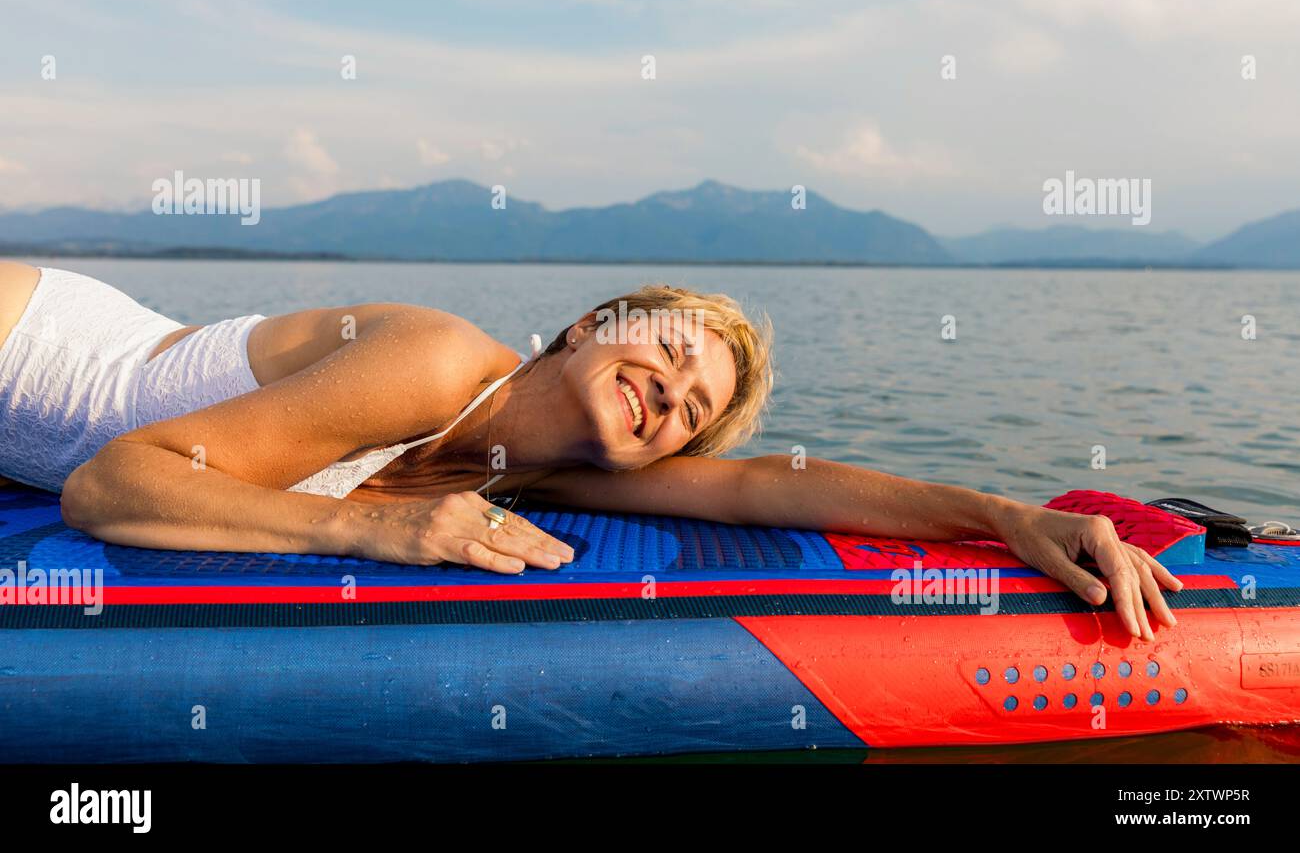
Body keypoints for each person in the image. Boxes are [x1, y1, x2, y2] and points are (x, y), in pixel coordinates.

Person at [0, 261, 1180, 639]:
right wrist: (374, 525)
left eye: (691, 407)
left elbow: (776, 486)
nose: (671, 393)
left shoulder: (537, 466)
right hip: (30, 339)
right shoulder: (433, 362)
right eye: (664, 353)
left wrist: (1009, 515)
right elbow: (115, 482)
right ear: (587, 330)